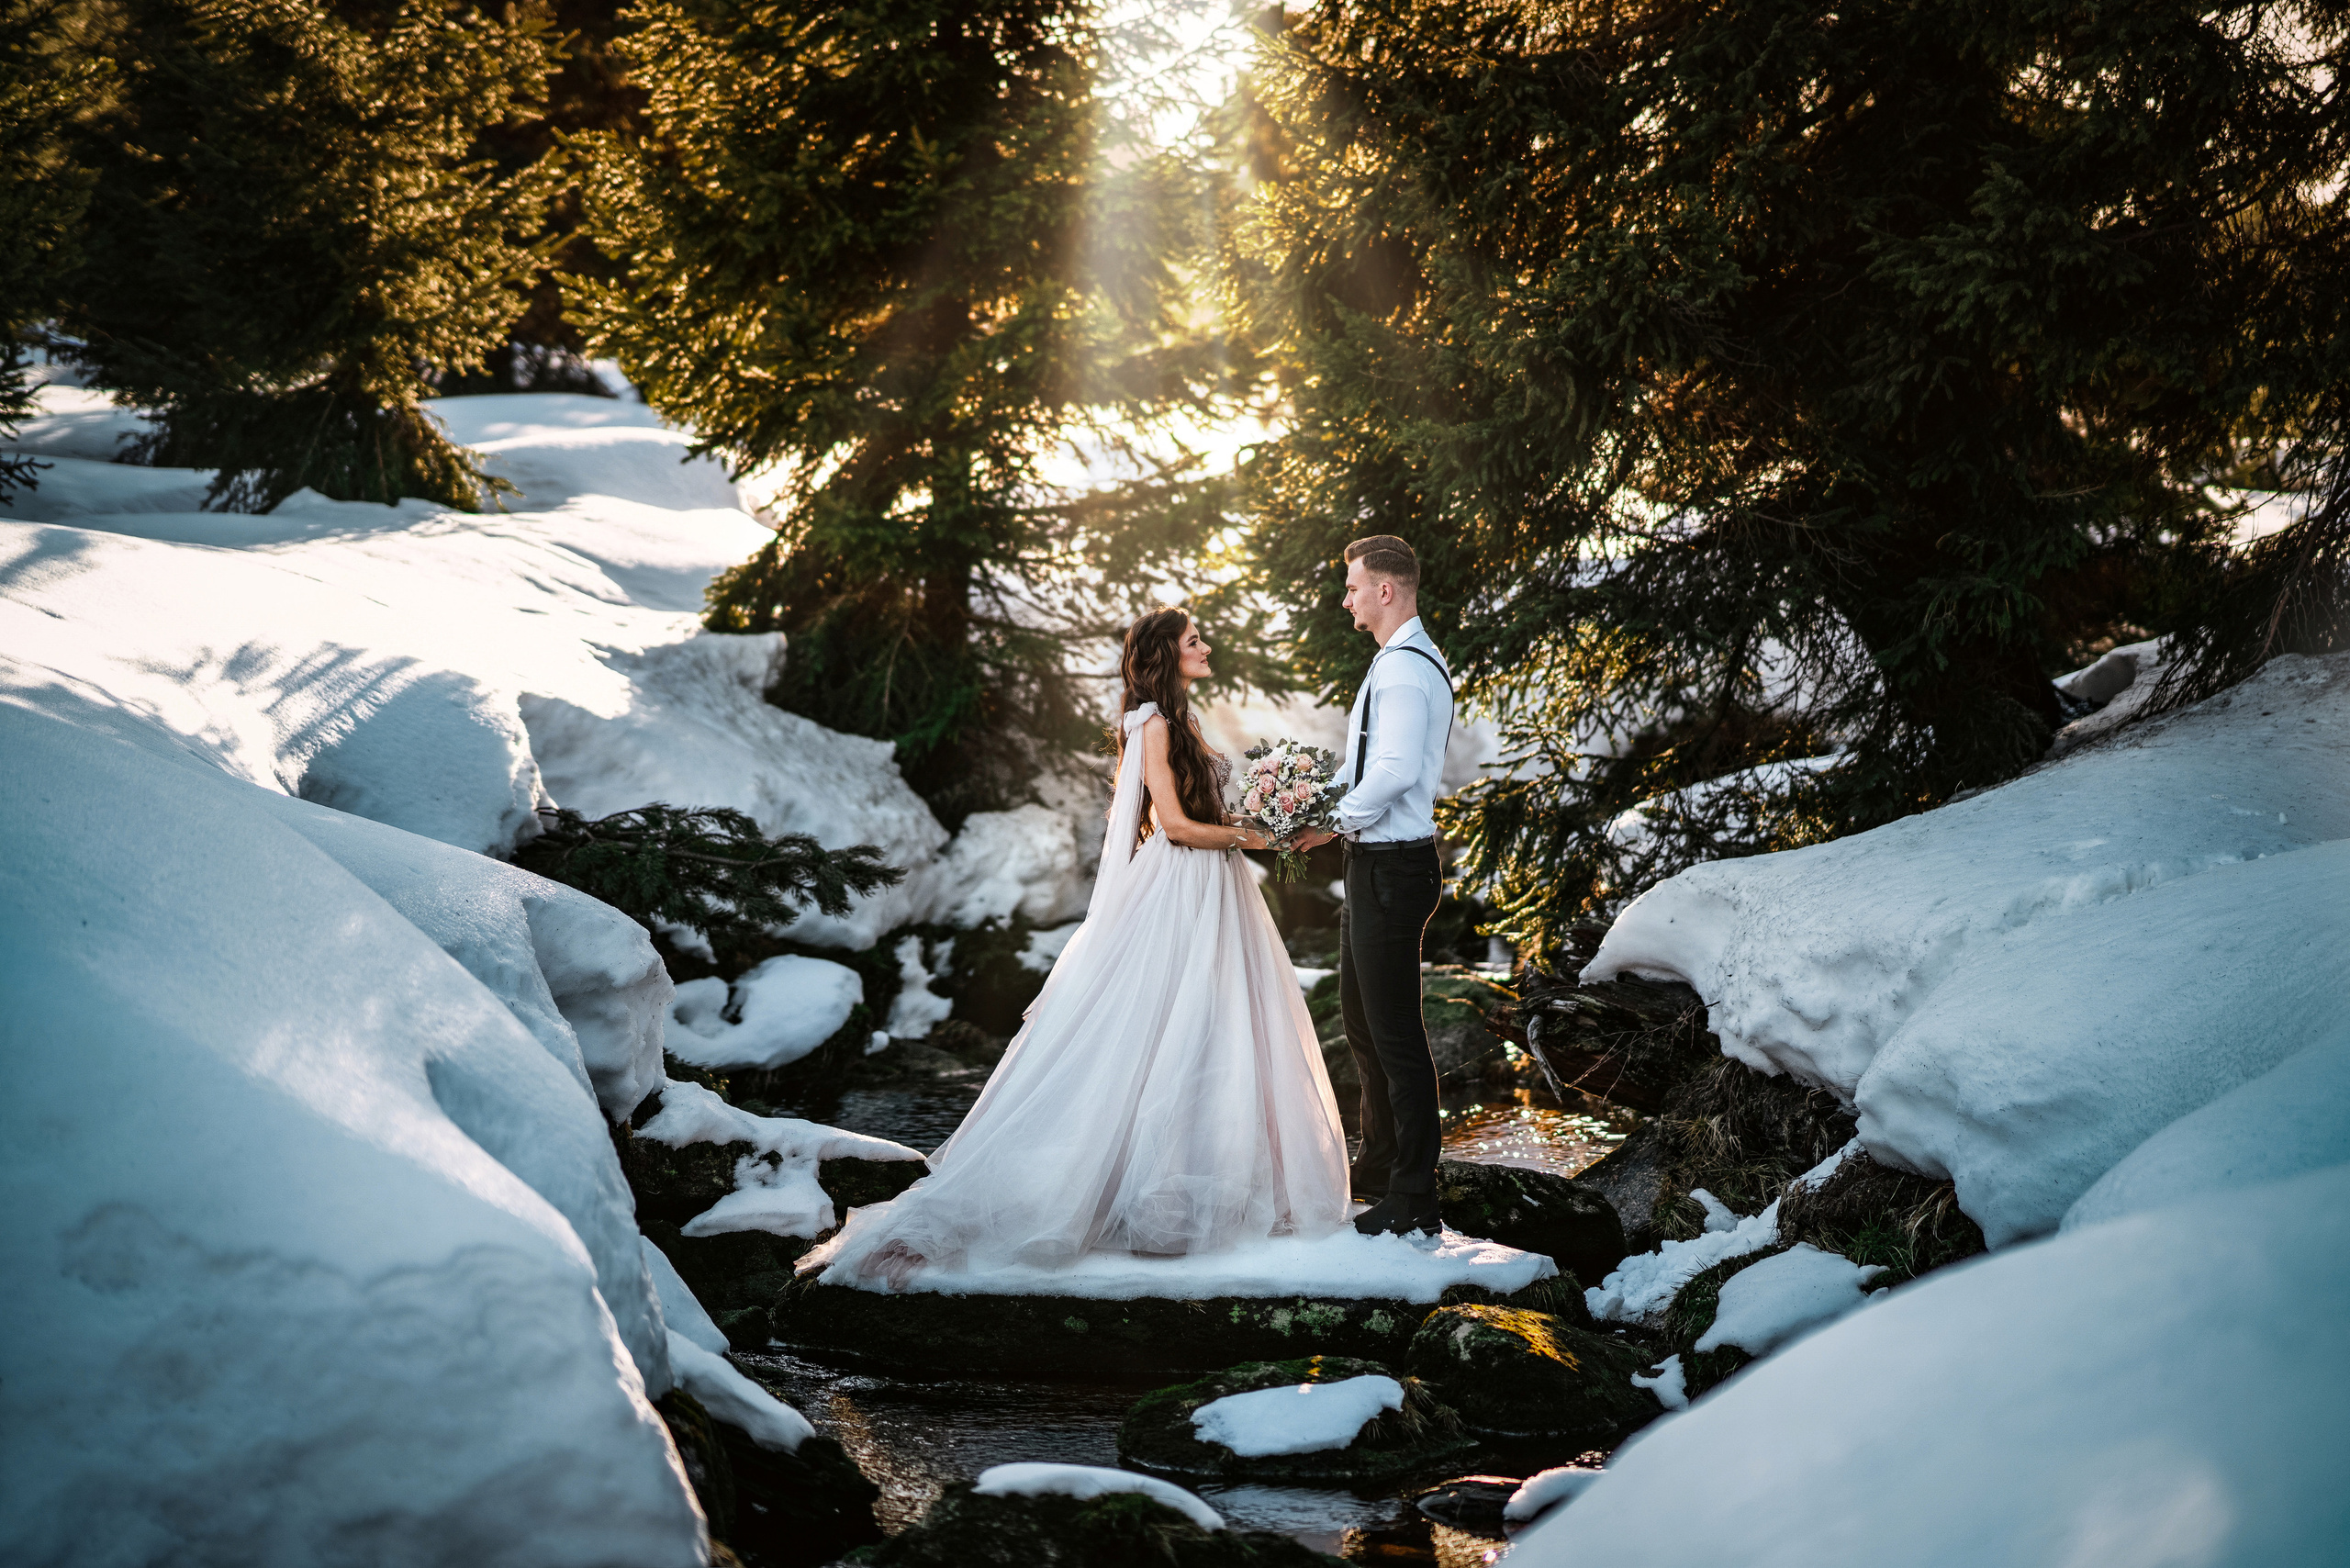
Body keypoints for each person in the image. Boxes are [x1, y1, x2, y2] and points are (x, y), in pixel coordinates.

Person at [801, 607, 1351, 1288]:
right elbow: (1176, 826)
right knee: (1162, 1025)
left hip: (1216, 886)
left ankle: (1190, 1188)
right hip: (1181, 886)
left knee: (1212, 1026)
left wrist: (1279, 823)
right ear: (1166, 653)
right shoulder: (1153, 723)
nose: (1206, 646)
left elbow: (1204, 816)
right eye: (1194, 640)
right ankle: (1132, 1194)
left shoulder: (1181, 720)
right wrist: (1261, 837)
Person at [1293, 534, 1455, 1237]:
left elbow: (1392, 773)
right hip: (1374, 866)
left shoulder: (1405, 669)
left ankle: (1414, 1194)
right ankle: (1381, 1162)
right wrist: (1305, 806)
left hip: (1394, 866)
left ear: (1385, 590)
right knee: (1361, 1024)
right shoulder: (1395, 661)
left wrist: (1329, 825)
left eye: (1354, 586)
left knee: (1394, 1035)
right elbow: (1365, 766)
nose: (1347, 600)